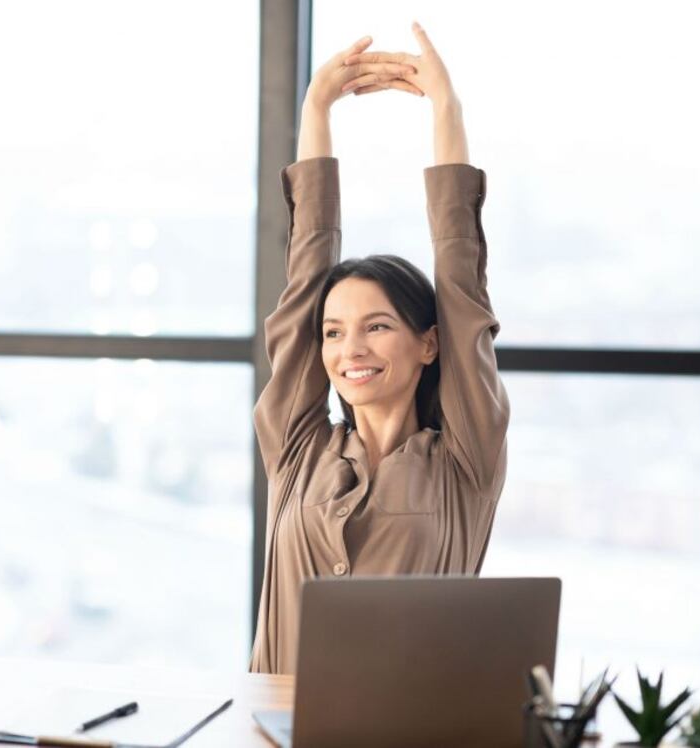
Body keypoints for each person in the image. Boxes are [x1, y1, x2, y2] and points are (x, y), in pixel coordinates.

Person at [249, 23, 510, 675]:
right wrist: (315, 111)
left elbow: (460, 281)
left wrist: (446, 113)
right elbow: (304, 277)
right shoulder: (298, 448)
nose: (349, 348)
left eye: (377, 326)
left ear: (428, 343)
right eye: (334, 332)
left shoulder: (464, 461)